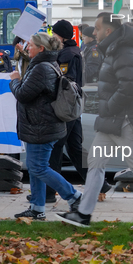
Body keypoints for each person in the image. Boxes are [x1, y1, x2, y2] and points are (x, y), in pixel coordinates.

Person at [57, 12, 133, 229]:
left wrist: (109, 107)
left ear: (108, 30)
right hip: (114, 120)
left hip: (125, 121)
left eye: (96, 28)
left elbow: (129, 88)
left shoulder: (123, 52)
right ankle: (83, 214)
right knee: (95, 165)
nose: (93, 33)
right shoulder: (116, 50)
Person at [9, 32, 82, 220]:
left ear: (41, 48)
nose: (28, 48)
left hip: (41, 126)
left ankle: (74, 196)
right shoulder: (47, 63)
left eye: (31, 45)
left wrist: (15, 80)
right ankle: (37, 208)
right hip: (39, 125)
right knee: (36, 167)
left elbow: (23, 94)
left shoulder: (41, 68)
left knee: (38, 167)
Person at [46, 20, 88, 202]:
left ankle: (48, 193)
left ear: (60, 35)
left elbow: (64, 82)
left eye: (54, 33)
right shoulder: (73, 51)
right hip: (73, 108)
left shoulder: (67, 55)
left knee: (55, 149)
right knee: (75, 149)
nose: (52, 36)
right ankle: (100, 183)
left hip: (66, 108)